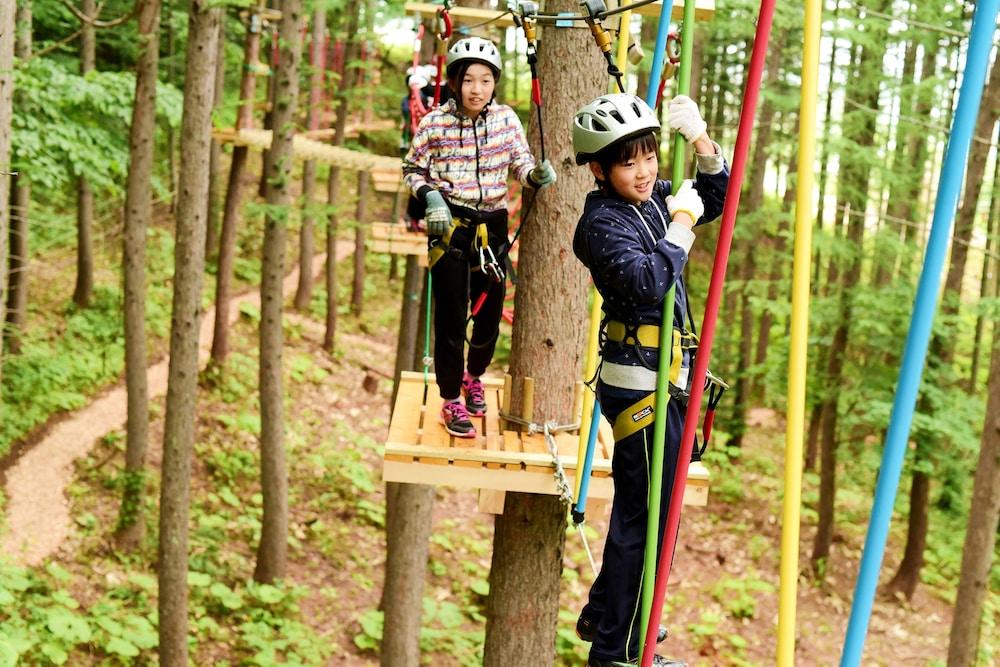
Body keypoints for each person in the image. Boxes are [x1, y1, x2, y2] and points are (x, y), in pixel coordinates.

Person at [571, 93, 730, 667]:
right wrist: (682, 222)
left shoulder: (653, 200)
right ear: (599, 169)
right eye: (628, 162)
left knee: (653, 515)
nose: (644, 172)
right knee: (646, 519)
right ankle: (616, 649)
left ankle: (609, 613)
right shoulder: (599, 224)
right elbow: (647, 281)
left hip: (669, 380)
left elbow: (717, 195)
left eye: (649, 156)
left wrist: (702, 143)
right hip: (638, 387)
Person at [403, 36, 556, 438]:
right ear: (455, 82)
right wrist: (431, 197)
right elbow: (412, 170)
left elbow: (520, 160)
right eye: (468, 80)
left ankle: (474, 377)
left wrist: (533, 175)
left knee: (488, 312)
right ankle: (450, 399)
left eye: (485, 80)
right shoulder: (435, 122)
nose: (476, 89)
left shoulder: (506, 119)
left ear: (495, 84)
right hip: (449, 224)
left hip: (493, 226)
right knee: (452, 316)